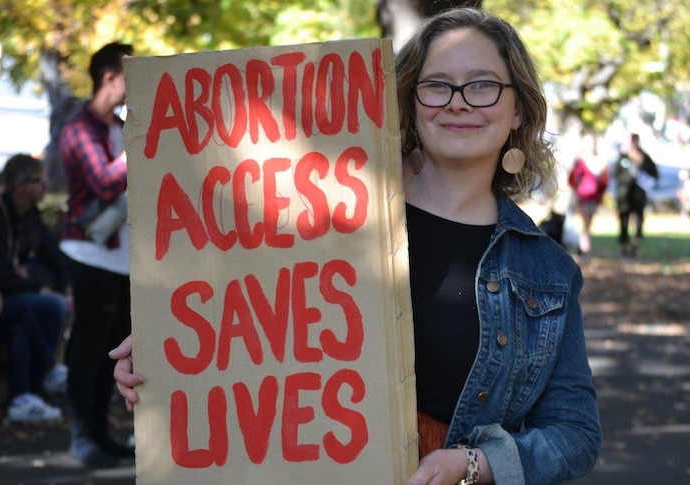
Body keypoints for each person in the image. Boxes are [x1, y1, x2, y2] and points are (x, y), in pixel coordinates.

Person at [111, 8, 601, 484]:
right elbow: (250, 316)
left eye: (483, 85)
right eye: (437, 85)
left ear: (518, 108)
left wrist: (474, 464)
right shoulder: (318, 209)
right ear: (409, 99)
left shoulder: (546, 270)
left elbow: (574, 434)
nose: (458, 101)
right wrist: (170, 349)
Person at [59, 41, 134, 468]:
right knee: (86, 352)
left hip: (118, 258)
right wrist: (138, 143)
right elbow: (106, 183)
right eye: (128, 74)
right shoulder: (78, 129)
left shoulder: (114, 126)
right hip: (89, 256)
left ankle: (102, 437)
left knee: (111, 352)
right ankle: (81, 438)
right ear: (109, 77)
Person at [0, 154, 72, 395]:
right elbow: (0, 273)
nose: (46, 185)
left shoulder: (30, 215)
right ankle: (49, 371)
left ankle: (37, 386)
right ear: (19, 186)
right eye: (39, 180)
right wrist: (36, 286)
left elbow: (52, 255)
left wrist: (66, 286)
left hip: (8, 294)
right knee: (49, 306)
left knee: (42, 312)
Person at [613, 133, 659, 258]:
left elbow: (655, 174)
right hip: (625, 195)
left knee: (638, 221)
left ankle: (635, 246)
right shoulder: (622, 158)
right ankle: (624, 247)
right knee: (624, 221)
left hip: (639, 196)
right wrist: (629, 178)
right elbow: (617, 174)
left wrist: (647, 181)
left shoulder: (645, 158)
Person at [567, 131, 608, 259]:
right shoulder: (580, 162)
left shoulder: (600, 161)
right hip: (583, 197)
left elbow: (604, 180)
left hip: (594, 197)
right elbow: (573, 179)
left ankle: (583, 247)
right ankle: (584, 248)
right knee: (585, 223)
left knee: (588, 224)